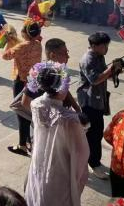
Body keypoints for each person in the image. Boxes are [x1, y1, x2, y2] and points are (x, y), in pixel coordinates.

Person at [24, 63, 89, 206]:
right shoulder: (69, 119)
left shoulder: (35, 104)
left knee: (38, 191)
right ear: (62, 87)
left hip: (39, 160)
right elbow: (81, 152)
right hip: (60, 168)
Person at [77, 31, 122, 180]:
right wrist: (110, 69)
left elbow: (104, 75)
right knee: (93, 134)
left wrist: (115, 71)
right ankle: (93, 163)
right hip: (89, 101)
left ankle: (94, 160)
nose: (106, 49)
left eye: (107, 45)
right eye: (104, 46)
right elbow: (95, 79)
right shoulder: (88, 59)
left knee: (96, 132)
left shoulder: (99, 56)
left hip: (98, 99)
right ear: (94, 46)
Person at [2, 21, 43, 157]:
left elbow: (5, 56)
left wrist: (9, 42)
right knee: (30, 112)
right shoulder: (38, 45)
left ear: (25, 33)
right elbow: (26, 44)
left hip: (21, 81)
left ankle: (22, 145)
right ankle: (29, 140)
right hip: (34, 82)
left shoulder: (20, 47)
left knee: (21, 112)